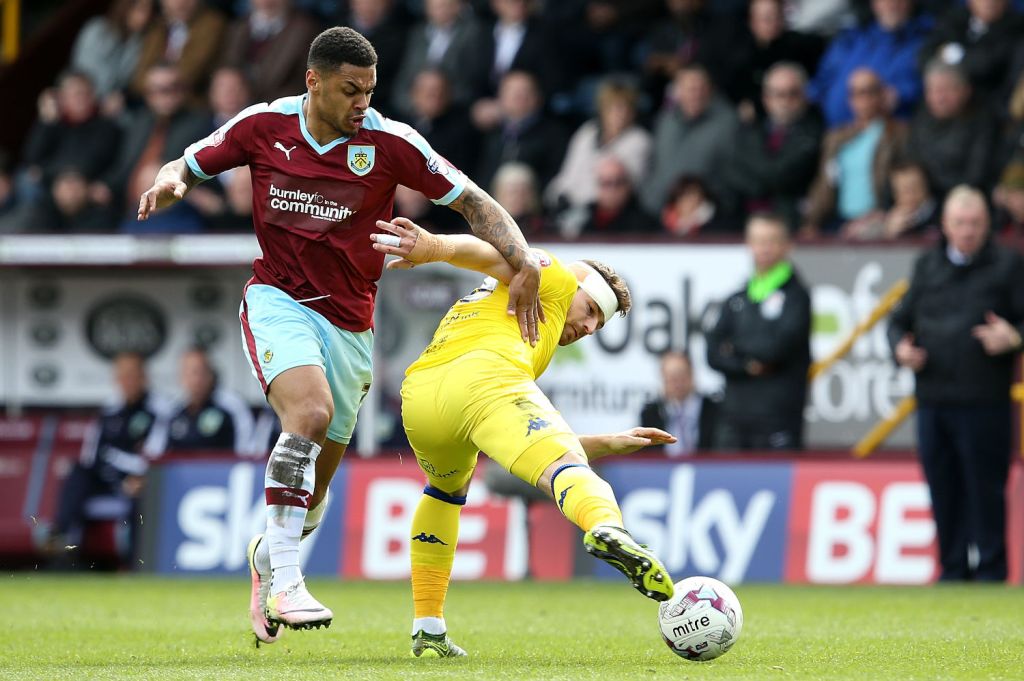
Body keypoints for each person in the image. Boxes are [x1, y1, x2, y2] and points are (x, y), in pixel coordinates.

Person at [135, 26, 544, 644]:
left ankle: (268, 560)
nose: (363, 102)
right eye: (351, 90)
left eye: (370, 90)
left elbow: (478, 205)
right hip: (277, 299)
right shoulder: (262, 126)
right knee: (310, 412)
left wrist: (526, 261)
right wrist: (173, 182)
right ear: (314, 81)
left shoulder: (390, 140)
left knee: (315, 485)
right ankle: (290, 583)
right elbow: (186, 163)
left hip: (350, 325)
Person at [368, 217, 677, 658]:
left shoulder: (526, 321)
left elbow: (515, 436)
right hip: (483, 380)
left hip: (421, 399)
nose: (589, 329)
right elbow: (492, 252)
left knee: (445, 492)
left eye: (599, 326)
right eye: (591, 311)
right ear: (579, 283)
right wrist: (433, 246)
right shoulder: (553, 278)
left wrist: (607, 441)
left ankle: (428, 625)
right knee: (568, 467)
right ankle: (608, 527)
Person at [888, 185, 1024, 582]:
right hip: (933, 399)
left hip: (986, 400)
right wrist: (899, 348)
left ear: (988, 225)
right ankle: (951, 571)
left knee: (985, 492)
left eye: (975, 223)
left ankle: (992, 571)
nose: (968, 230)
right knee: (943, 490)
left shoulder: (1008, 266)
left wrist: (1015, 337)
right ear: (945, 225)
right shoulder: (927, 265)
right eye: (960, 223)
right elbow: (899, 320)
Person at [46, 353, 168, 567]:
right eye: (122, 375)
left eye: (132, 375)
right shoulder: (109, 410)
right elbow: (91, 456)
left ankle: (135, 563)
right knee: (77, 473)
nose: (127, 381)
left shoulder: (159, 410)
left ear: (144, 377)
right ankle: (62, 545)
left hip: (137, 481)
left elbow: (154, 457)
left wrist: (135, 472)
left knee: (140, 491)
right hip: (105, 479)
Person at [704, 212, 811, 450]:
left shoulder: (797, 297)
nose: (764, 248)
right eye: (758, 241)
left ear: (787, 246)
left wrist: (735, 347)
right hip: (734, 418)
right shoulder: (738, 298)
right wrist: (747, 365)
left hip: (777, 418)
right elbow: (713, 352)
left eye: (771, 241)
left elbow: (775, 349)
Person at [803, 68, 908, 235]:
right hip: (841, 222)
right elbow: (825, 182)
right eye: (856, 93)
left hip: (880, 221)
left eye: (869, 92)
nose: (863, 99)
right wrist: (811, 221)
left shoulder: (897, 134)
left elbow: (907, 181)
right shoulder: (836, 138)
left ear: (881, 94)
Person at [725, 61, 823, 232]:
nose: (785, 101)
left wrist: (757, 180)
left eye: (793, 93)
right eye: (778, 94)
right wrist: (764, 182)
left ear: (804, 96)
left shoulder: (815, 132)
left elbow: (781, 175)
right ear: (766, 98)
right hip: (743, 222)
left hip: (790, 224)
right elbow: (733, 173)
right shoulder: (749, 131)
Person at [808, 0, 932, 127]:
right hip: (835, 136)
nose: (892, 4)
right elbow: (820, 83)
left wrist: (901, 97)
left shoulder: (925, 40)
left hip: (890, 137)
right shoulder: (851, 38)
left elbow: (933, 87)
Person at [640, 65, 738, 217]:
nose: (696, 94)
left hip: (708, 217)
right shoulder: (665, 121)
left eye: (701, 88)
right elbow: (654, 165)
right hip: (660, 214)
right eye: (690, 89)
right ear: (678, 91)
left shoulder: (728, 123)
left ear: (710, 90)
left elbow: (732, 173)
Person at [907, 60, 998, 199]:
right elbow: (910, 165)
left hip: (965, 201)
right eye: (933, 90)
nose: (939, 98)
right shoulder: (921, 119)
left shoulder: (982, 121)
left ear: (966, 90)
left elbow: (976, 177)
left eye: (946, 90)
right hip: (925, 202)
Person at [148, 347, 255, 454]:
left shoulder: (232, 405)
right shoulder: (171, 411)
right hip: (180, 470)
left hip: (223, 469)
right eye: (189, 372)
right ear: (181, 377)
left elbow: (247, 450)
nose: (196, 379)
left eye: (200, 371)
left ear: (210, 374)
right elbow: (154, 453)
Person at [640, 350, 715, 456]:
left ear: (691, 375)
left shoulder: (713, 410)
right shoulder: (651, 414)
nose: (676, 381)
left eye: (680, 374)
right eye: (670, 376)